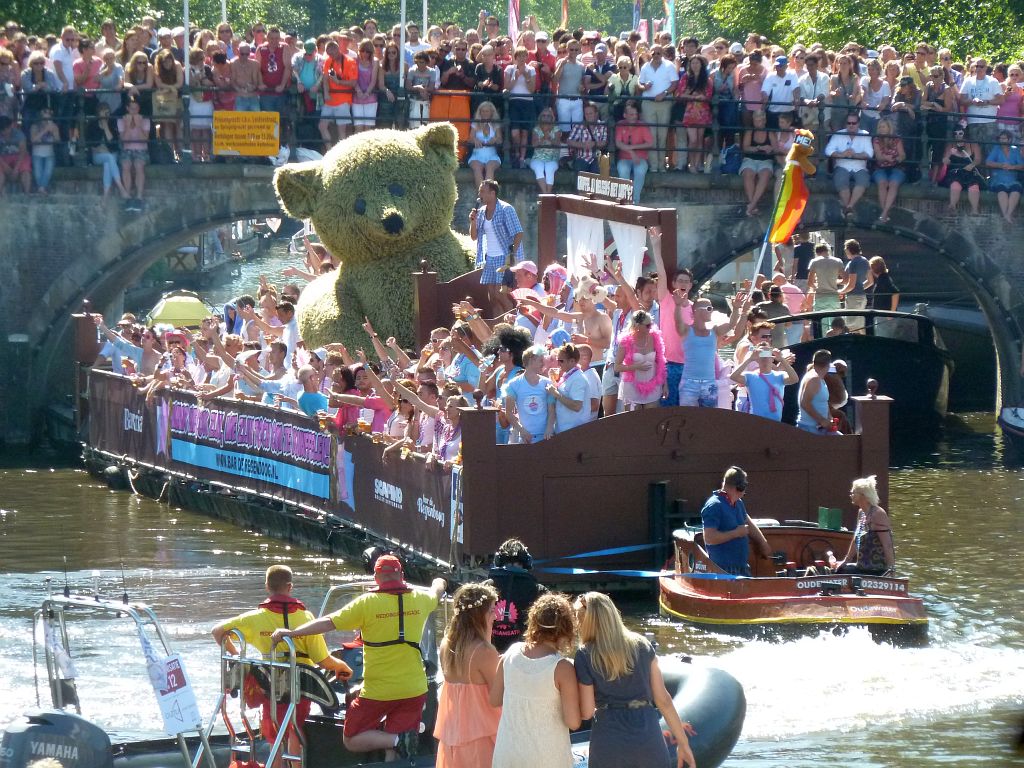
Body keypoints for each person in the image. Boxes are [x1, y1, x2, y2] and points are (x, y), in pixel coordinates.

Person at [270, 555, 447, 763]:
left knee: (351, 738)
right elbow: (437, 589)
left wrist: (291, 633)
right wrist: (439, 581)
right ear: (401, 575)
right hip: (414, 688)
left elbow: (327, 622)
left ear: (376, 578)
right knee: (394, 751)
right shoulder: (421, 599)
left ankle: (399, 739)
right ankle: (399, 740)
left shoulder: (367, 603)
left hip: (378, 690)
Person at [211, 565, 354, 760]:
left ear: (267, 587)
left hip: (271, 686)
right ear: (290, 587)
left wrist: (237, 658)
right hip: (300, 685)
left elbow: (217, 631)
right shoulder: (306, 617)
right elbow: (324, 660)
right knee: (296, 726)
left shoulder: (255, 618)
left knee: (274, 732)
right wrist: (342, 667)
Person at [574, 592, 696, 768]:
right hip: (648, 735)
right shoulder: (642, 645)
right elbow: (664, 700)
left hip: (609, 740)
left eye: (578, 620)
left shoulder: (585, 655)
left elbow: (586, 711)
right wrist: (683, 743)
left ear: (587, 623)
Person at [489, 593, 581, 768]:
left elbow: (494, 700)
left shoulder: (510, 653)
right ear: (566, 628)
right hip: (546, 757)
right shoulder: (562, 668)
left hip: (508, 752)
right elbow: (573, 722)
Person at [433, 582, 502, 768]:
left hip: (451, 738)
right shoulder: (485, 652)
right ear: (479, 616)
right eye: (491, 611)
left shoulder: (445, 646)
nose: (495, 616)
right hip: (481, 740)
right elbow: (500, 698)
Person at [699, 466, 772, 576]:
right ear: (739, 487)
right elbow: (709, 538)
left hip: (741, 566)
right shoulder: (714, 505)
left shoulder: (738, 503)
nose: (744, 492)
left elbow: (747, 521)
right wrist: (736, 533)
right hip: (723, 570)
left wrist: (763, 542)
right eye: (744, 487)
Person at [469, 179, 524, 311]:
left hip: (504, 256)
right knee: (492, 296)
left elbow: (518, 233)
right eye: (479, 191)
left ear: (492, 193)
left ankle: (511, 321)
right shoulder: (481, 212)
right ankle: (498, 326)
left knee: (501, 294)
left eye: (482, 191)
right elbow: (474, 236)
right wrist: (473, 221)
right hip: (490, 258)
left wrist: (511, 256)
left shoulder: (506, 209)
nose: (479, 195)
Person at [487, 538, 545, 652]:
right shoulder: (539, 591)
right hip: (524, 657)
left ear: (498, 560)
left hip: (490, 656)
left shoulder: (485, 588)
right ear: (527, 562)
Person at [833, 475, 896, 575]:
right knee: (836, 571)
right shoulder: (861, 513)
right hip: (862, 567)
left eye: (853, 493)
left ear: (863, 495)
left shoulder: (878, 514)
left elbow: (887, 545)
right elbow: (855, 539)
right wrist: (845, 561)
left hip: (876, 571)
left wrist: (891, 571)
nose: (851, 495)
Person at [614, 309, 666, 411]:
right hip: (632, 387)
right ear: (637, 326)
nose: (650, 327)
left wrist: (665, 385)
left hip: (653, 387)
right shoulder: (625, 341)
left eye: (651, 324)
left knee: (652, 422)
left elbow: (661, 362)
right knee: (634, 423)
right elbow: (617, 367)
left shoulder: (654, 337)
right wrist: (636, 366)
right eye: (647, 325)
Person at [730, 343, 798, 420]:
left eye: (767, 353)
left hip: (775, 423)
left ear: (772, 359)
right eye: (761, 353)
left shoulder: (780, 375)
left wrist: (782, 359)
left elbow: (795, 379)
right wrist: (749, 359)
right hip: (756, 423)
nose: (764, 356)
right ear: (757, 359)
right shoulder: (750, 376)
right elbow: (733, 376)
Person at [825, 112, 873, 214]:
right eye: (849, 123)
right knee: (841, 180)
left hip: (859, 167)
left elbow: (870, 154)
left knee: (863, 180)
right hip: (842, 165)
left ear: (858, 124)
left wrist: (856, 155)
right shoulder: (838, 134)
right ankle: (849, 209)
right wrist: (842, 154)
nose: (851, 125)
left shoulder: (865, 135)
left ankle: (848, 207)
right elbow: (828, 150)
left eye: (853, 123)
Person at [615, 100, 653, 203]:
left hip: (640, 158)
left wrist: (632, 148)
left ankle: (635, 201)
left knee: (640, 172)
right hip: (624, 158)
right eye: (631, 114)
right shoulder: (620, 124)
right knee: (623, 171)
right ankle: (625, 199)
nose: (634, 116)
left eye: (636, 114)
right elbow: (618, 143)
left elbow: (650, 143)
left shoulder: (642, 125)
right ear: (625, 115)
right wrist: (632, 152)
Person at [941, 126, 983, 215]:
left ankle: (975, 210)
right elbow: (945, 158)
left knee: (974, 186)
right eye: (955, 134)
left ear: (965, 134)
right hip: (955, 172)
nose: (958, 136)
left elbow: (978, 159)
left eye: (960, 133)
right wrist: (946, 160)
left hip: (970, 171)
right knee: (955, 184)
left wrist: (971, 165)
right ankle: (952, 206)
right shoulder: (951, 145)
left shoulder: (973, 144)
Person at [871, 119, 906, 223]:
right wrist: (886, 158)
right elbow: (878, 156)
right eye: (880, 127)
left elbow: (902, 154)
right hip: (880, 167)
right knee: (882, 183)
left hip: (896, 167)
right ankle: (884, 212)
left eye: (884, 127)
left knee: (893, 184)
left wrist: (898, 158)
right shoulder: (876, 139)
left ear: (889, 128)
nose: (881, 129)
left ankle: (884, 213)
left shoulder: (897, 139)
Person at [986, 130, 1023, 223]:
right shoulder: (996, 149)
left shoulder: (1015, 150)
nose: (1002, 140)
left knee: (1016, 189)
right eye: (1000, 138)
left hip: (1012, 178)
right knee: (1001, 189)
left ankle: (1008, 214)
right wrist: (1001, 165)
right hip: (998, 178)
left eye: (1004, 138)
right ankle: (1005, 213)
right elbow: (988, 162)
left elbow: (1022, 165)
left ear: (1009, 139)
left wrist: (1013, 166)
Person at [797, 349, 837, 434]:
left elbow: (824, 402)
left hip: (820, 429)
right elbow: (804, 403)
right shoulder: (813, 379)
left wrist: (829, 417)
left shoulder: (818, 377)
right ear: (828, 365)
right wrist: (822, 420)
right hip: (810, 429)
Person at [467, 100, 502, 187]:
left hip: (492, 155)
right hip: (476, 155)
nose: (485, 113)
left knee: (490, 167)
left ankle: (487, 195)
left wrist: (495, 140)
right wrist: (475, 139)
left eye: (487, 111)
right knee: (477, 168)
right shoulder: (475, 124)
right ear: (480, 112)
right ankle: (481, 196)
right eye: (482, 111)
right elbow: (469, 139)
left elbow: (500, 140)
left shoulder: (495, 124)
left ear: (491, 112)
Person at [838, 238, 871, 331]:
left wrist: (841, 291)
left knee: (850, 326)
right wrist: (860, 287)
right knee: (861, 326)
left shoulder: (853, 263)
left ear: (848, 250)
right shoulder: (865, 260)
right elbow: (870, 281)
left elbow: (851, 285)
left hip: (853, 298)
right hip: (862, 298)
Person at [806, 242, 844, 312]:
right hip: (833, 296)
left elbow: (810, 283)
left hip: (820, 296)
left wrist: (817, 286)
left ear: (817, 253)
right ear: (827, 251)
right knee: (834, 321)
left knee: (821, 321)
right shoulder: (838, 261)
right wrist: (835, 281)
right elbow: (846, 280)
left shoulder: (814, 262)